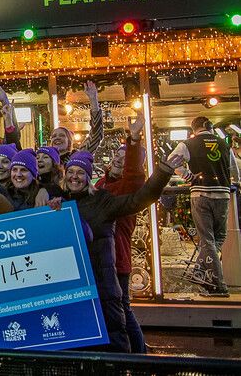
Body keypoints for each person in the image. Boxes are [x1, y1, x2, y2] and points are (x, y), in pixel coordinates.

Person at [55, 150, 184, 352]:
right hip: (73, 284)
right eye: (70, 171)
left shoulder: (103, 201)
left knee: (113, 337)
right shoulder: (59, 203)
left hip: (101, 282)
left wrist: (163, 172)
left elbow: (139, 199)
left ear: (88, 177)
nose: (74, 176)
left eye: (80, 172)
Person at [168, 116, 239, 297]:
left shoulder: (188, 144)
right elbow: (234, 170)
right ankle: (199, 274)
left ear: (194, 129)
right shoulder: (224, 144)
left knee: (207, 239)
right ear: (209, 126)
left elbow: (171, 160)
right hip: (222, 194)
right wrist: (234, 184)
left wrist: (188, 176)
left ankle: (216, 284)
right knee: (218, 237)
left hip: (200, 194)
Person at [94, 114, 147, 353]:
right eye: (117, 156)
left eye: (123, 159)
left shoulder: (128, 188)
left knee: (123, 309)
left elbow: (135, 175)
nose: (117, 160)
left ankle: (139, 357)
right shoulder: (100, 185)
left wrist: (134, 140)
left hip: (117, 259)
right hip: (99, 257)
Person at [50, 81, 104, 164]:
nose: (57, 138)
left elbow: (95, 136)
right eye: (54, 136)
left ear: (69, 141)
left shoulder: (76, 157)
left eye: (62, 135)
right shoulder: (45, 161)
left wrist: (93, 100)